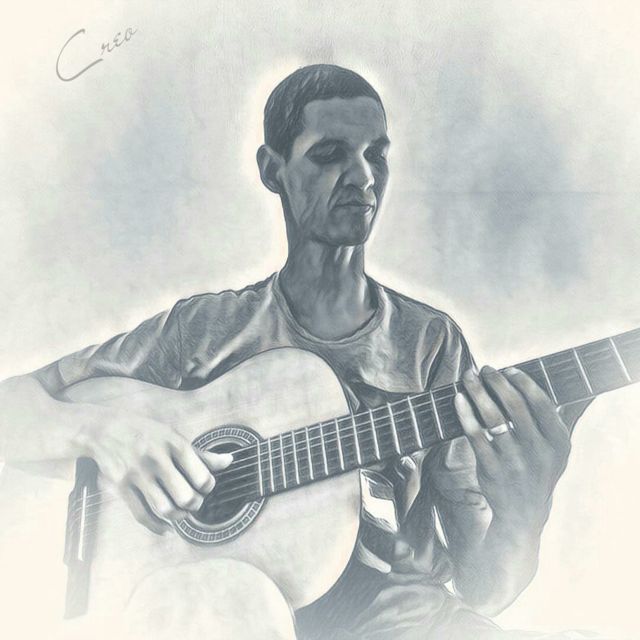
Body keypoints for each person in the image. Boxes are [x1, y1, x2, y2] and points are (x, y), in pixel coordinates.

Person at [0, 64, 594, 640]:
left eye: (376, 155)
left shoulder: (429, 341)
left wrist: (525, 511)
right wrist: (107, 434)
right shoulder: (206, 328)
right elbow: (12, 410)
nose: (363, 177)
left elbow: (484, 588)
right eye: (330, 154)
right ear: (273, 168)